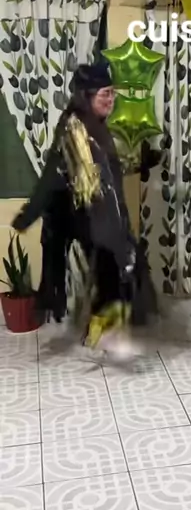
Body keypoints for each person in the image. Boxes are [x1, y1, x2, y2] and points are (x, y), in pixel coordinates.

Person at [12, 61, 157, 359]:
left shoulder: (95, 126)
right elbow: (52, 176)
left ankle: (98, 331)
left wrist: (141, 164)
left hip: (97, 217)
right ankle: (102, 333)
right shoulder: (73, 129)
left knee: (115, 272)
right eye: (105, 93)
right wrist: (29, 215)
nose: (111, 99)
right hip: (81, 217)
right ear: (86, 95)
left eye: (113, 93)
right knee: (114, 267)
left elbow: (107, 172)